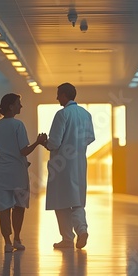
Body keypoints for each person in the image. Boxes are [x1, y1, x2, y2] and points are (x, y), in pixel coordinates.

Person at [0, 93, 47, 253]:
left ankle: (7, 243)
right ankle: (17, 239)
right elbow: (24, 150)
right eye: (18, 103)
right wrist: (38, 142)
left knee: (3, 208)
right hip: (18, 174)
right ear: (11, 106)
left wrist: (4, 151)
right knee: (19, 207)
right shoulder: (18, 125)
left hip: (1, 173)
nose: (21, 106)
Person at [43, 82, 95, 249]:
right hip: (79, 163)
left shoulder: (62, 114)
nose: (57, 97)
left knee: (62, 202)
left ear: (65, 95)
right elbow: (90, 138)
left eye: (58, 94)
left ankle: (67, 238)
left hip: (62, 165)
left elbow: (54, 143)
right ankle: (82, 230)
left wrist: (44, 142)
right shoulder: (86, 114)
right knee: (77, 201)